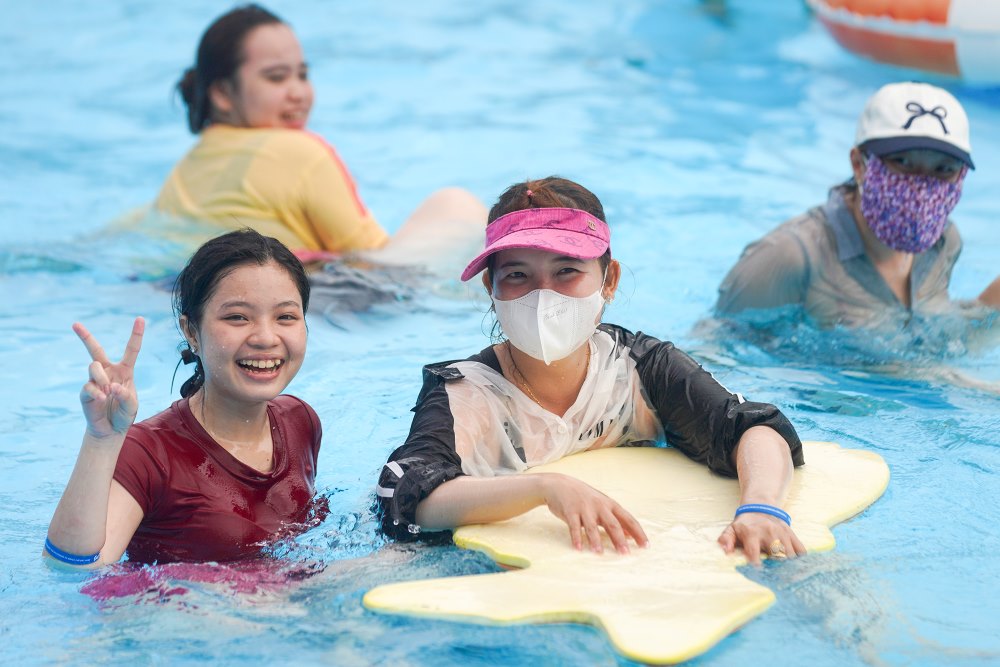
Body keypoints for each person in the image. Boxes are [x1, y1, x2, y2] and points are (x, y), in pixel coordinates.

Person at [376, 177, 806, 564]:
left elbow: (753, 427)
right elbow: (409, 496)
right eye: (518, 275)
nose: (543, 295)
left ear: (609, 280)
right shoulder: (466, 393)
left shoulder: (640, 368)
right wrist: (545, 489)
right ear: (491, 288)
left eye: (567, 272)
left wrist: (761, 507)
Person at [45, 229, 322, 567]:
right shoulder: (149, 454)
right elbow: (76, 566)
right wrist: (101, 440)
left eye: (286, 317)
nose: (266, 338)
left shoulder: (300, 422)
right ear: (191, 331)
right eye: (237, 317)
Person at [154, 4, 485, 268]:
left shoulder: (184, 170)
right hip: (323, 299)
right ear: (223, 94)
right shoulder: (300, 152)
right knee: (455, 203)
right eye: (277, 77)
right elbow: (375, 264)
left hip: (228, 301)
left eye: (303, 74)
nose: (299, 93)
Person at [716, 82, 1000, 329]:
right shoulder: (790, 257)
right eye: (902, 162)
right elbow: (712, 356)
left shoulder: (943, 243)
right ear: (858, 164)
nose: (922, 189)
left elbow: (941, 346)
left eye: (944, 169)